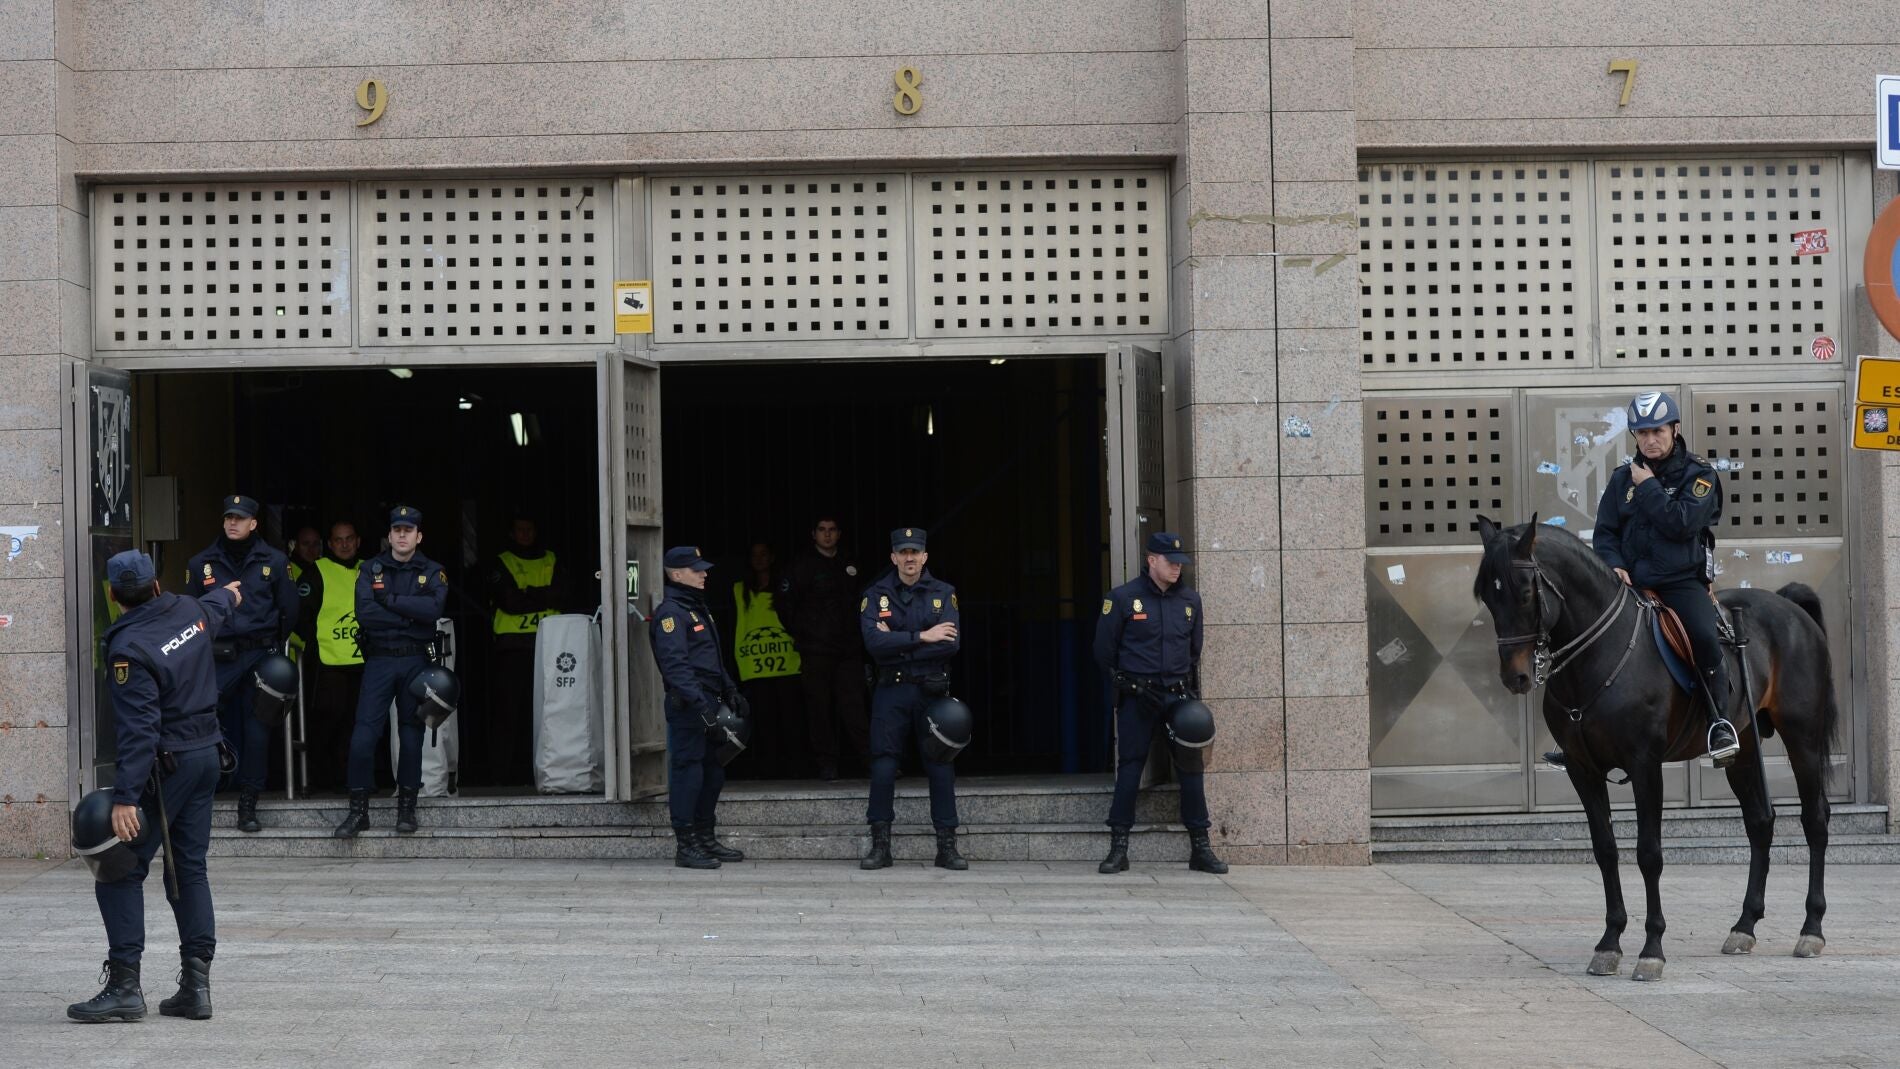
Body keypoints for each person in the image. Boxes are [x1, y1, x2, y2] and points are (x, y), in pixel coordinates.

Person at [68, 550, 240, 1023]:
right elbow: (218, 606)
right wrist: (231, 593)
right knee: (188, 870)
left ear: (112, 595)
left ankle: (125, 987)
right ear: (157, 586)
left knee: (118, 869)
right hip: (207, 756)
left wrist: (125, 797)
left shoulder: (129, 648)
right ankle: (196, 989)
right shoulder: (189, 610)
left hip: (168, 768)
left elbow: (140, 729)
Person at [1547, 390, 1738, 770]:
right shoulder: (1622, 479)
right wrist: (1613, 564)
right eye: (1642, 433)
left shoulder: (1699, 475)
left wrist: (1649, 486)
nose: (1650, 440)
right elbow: (1605, 533)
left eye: (1657, 431)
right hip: (1630, 583)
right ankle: (1577, 737)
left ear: (1675, 429)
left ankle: (1719, 722)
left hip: (1680, 582)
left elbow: (1682, 524)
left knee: (1703, 636)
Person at [1093, 531, 1227, 875]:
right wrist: (1131, 685)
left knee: (1192, 769)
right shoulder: (1123, 598)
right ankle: (1118, 848)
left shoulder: (1190, 600)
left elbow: (1194, 651)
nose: (1177, 568)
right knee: (1131, 768)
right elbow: (1104, 653)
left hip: (1177, 697)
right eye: (1170, 562)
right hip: (1139, 696)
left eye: (1180, 563)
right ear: (1152, 560)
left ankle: (1200, 848)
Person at [185, 495, 297, 834]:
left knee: (257, 730)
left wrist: (273, 643)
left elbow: (290, 610)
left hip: (260, 653)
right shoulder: (201, 563)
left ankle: (249, 801)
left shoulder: (274, 561)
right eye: (229, 517)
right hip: (218, 656)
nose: (233, 523)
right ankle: (204, 789)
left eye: (240, 518)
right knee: (200, 722)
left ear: (254, 523)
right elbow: (190, 612)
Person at [333, 506, 447, 838]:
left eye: (408, 530)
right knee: (364, 735)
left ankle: (407, 810)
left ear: (418, 536)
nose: (401, 535)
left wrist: (391, 600)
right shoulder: (370, 569)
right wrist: (410, 617)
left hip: (415, 661)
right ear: (389, 535)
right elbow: (365, 613)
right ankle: (358, 812)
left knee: (411, 736)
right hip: (380, 660)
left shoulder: (433, 571)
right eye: (397, 529)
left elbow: (433, 610)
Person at [858, 527, 965, 871]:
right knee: (884, 766)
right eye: (903, 552)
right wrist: (924, 636)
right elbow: (874, 645)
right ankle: (880, 847)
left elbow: (950, 644)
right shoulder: (875, 594)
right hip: (891, 691)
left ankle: (946, 847)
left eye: (914, 552)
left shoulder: (944, 593)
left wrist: (899, 643)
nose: (909, 558)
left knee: (941, 765)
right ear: (893, 557)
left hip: (931, 692)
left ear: (924, 557)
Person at [649, 546, 745, 869]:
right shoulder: (671, 614)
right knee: (688, 772)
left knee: (713, 772)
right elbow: (676, 667)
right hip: (690, 704)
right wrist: (700, 707)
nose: (704, 574)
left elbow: (711, 658)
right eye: (696, 569)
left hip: (710, 699)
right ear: (677, 574)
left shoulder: (695, 607)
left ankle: (705, 837)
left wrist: (730, 689)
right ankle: (686, 844)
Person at [778, 516, 870, 780]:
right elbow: (785, 606)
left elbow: (865, 601)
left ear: (839, 534)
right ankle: (826, 764)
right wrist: (805, 634)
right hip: (815, 651)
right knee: (819, 709)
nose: (827, 535)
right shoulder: (800, 566)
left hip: (848, 650)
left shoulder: (851, 563)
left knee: (855, 707)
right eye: (822, 530)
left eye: (832, 530)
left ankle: (869, 760)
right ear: (813, 534)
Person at [485, 514, 564, 784]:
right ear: (512, 533)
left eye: (529, 529)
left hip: (551, 646)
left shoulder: (551, 559)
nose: (525, 534)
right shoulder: (502, 561)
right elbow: (509, 602)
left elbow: (563, 594)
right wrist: (544, 594)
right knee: (508, 713)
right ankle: (502, 776)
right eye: (520, 529)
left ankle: (544, 772)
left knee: (548, 712)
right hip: (513, 649)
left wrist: (527, 592)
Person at [730, 542, 805, 778]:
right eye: (754, 555)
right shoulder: (739, 590)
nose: (759, 559)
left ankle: (796, 767)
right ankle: (769, 768)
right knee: (764, 722)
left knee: (792, 720)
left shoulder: (785, 587)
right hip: (756, 667)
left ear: (772, 557)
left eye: (763, 554)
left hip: (787, 664)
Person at [301, 521, 365, 791]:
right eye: (338, 540)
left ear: (358, 541)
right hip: (329, 663)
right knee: (328, 721)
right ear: (330, 544)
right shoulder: (317, 571)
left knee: (358, 722)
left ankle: (354, 779)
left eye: (349, 538)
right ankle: (324, 779)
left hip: (364, 661)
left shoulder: (369, 569)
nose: (345, 544)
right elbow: (301, 615)